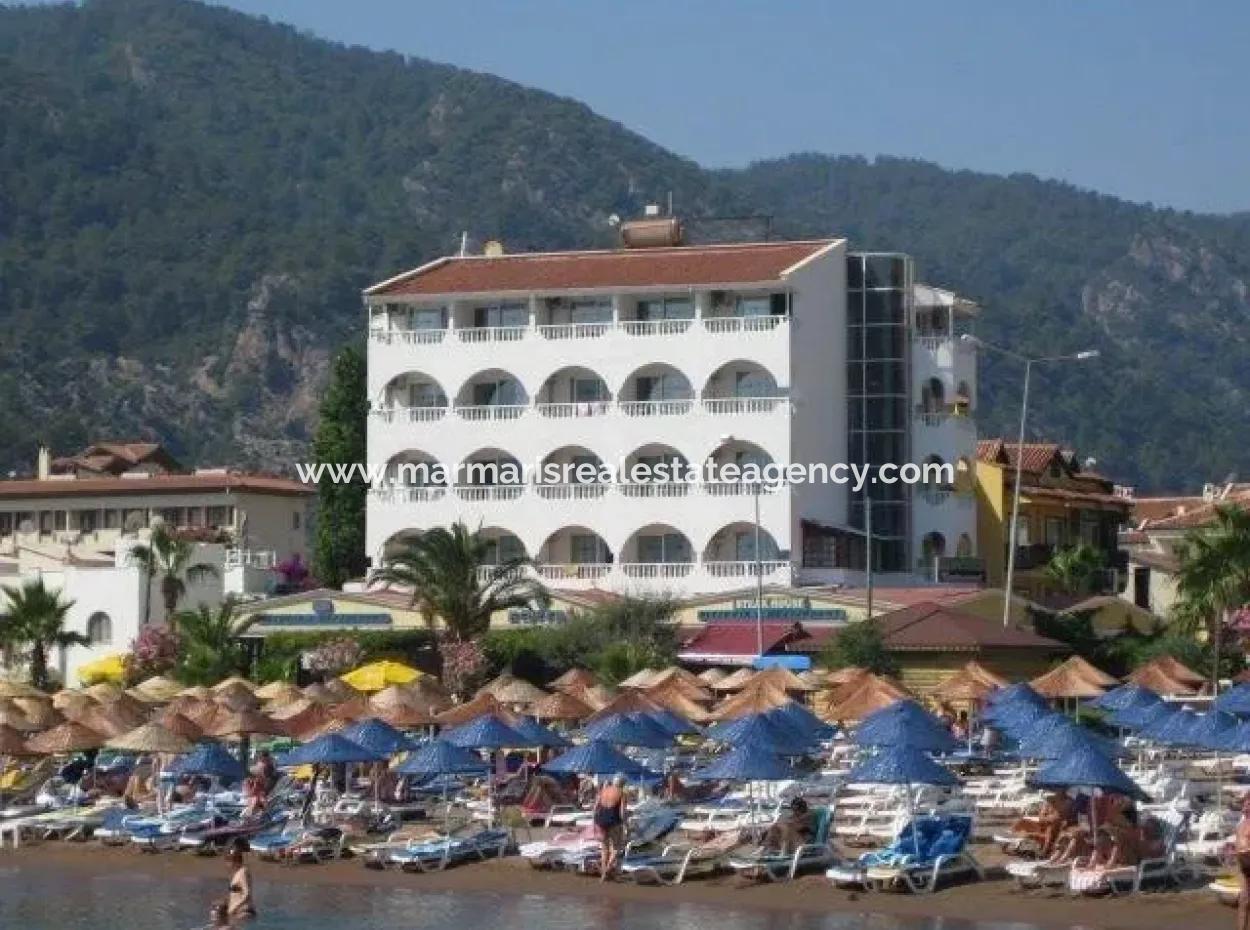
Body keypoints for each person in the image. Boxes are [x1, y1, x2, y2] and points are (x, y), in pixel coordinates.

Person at [593, 774, 627, 882]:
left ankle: (603, 873)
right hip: (613, 820)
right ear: (622, 784)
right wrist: (625, 824)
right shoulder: (621, 793)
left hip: (601, 819)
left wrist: (594, 821)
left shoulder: (604, 790)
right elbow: (622, 813)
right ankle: (607, 870)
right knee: (616, 848)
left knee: (604, 848)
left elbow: (595, 807)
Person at [222, 837, 256, 922]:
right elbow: (236, 894)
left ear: (233, 860)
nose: (226, 865)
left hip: (243, 911)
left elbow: (247, 894)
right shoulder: (237, 874)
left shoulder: (243, 872)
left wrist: (233, 908)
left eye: (227, 861)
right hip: (237, 911)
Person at [1236, 793, 1250, 930]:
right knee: (1243, 902)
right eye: (1244, 804)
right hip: (1243, 866)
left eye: (1248, 804)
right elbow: (1238, 845)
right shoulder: (1240, 825)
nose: (1245, 806)